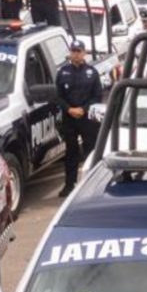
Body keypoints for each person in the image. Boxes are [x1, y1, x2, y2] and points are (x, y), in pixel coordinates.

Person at [54, 39, 102, 198]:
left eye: (78, 51)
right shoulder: (63, 73)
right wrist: (69, 109)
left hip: (87, 118)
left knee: (91, 151)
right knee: (71, 152)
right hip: (69, 119)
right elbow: (58, 96)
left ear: (84, 53)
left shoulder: (92, 73)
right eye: (73, 51)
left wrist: (84, 109)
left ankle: (92, 184)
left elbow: (97, 96)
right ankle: (69, 185)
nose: (75, 54)